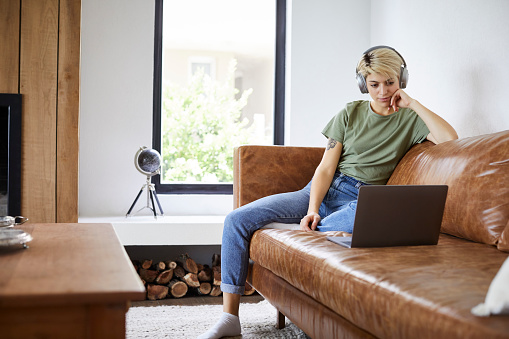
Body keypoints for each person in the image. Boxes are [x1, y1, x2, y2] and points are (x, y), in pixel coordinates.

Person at [197, 46, 458, 339]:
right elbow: (324, 169)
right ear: (363, 84)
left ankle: (304, 229)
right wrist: (312, 207)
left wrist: (414, 103)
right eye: (374, 84)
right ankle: (229, 318)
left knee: (353, 227)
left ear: (402, 80)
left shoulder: (411, 120)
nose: (382, 91)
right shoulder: (350, 113)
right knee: (236, 220)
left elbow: (450, 139)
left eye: (390, 82)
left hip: (364, 201)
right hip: (327, 188)